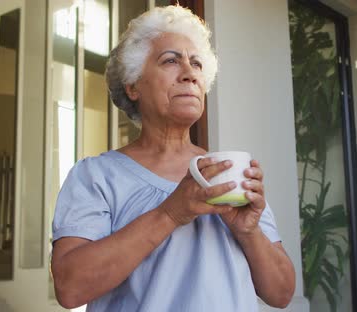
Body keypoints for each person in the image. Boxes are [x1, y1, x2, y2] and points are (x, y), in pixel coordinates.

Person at [51, 5, 295, 311]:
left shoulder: (228, 174)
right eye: (170, 60)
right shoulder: (96, 176)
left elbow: (282, 293)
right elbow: (70, 288)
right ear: (133, 85)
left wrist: (248, 231)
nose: (190, 73)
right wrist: (170, 213)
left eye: (196, 64)